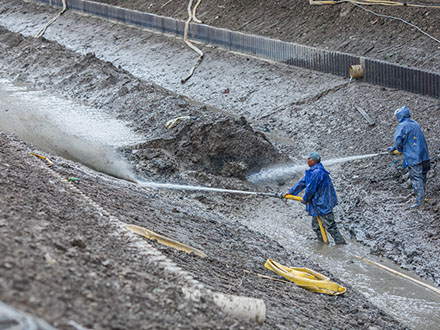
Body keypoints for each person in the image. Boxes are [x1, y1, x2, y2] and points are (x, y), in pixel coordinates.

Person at [284, 152, 346, 245]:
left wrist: (305, 199)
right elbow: (303, 182)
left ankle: (341, 245)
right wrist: (291, 192)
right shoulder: (313, 171)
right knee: (316, 227)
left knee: (330, 226)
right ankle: (322, 243)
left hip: (323, 203)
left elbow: (310, 189)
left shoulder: (317, 172)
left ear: (312, 161)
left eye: (308, 159)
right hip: (317, 204)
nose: (307, 161)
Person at [388, 105, 430, 208]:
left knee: (416, 179)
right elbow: (411, 138)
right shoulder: (415, 123)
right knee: (423, 176)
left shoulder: (402, 126)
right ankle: (422, 196)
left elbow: (398, 140)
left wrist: (398, 149)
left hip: (414, 157)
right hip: (424, 156)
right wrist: (396, 147)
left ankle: (420, 202)